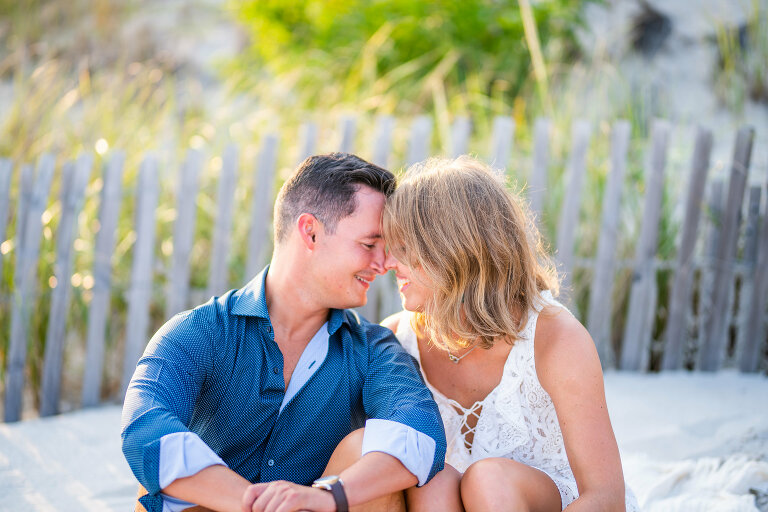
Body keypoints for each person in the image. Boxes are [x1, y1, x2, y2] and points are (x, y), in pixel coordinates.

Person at [121, 153, 446, 512]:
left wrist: (322, 497)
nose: (383, 264)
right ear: (310, 232)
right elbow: (143, 427)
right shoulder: (199, 332)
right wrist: (255, 504)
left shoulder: (374, 349)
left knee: (368, 455)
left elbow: (420, 436)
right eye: (370, 245)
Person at [381, 156, 639, 512]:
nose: (389, 263)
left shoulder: (555, 340)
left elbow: (606, 498)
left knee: (488, 480)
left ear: (454, 250)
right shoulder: (394, 340)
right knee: (431, 478)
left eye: (405, 249)